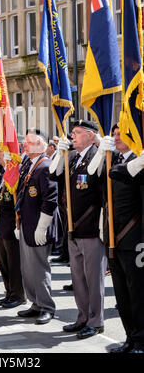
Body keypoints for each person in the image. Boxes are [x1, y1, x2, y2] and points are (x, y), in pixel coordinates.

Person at [89, 124, 144, 353]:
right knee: (121, 294)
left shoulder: (139, 164)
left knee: (138, 294)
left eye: (122, 133)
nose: (117, 137)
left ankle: (141, 341)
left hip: (136, 240)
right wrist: (101, 152)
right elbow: (91, 183)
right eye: (114, 134)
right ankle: (130, 338)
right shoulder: (113, 161)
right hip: (113, 239)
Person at [50, 119, 107, 339]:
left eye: (77, 132)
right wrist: (57, 155)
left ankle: (96, 321)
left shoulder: (99, 156)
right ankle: (83, 317)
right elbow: (53, 176)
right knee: (78, 278)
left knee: (93, 279)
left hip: (91, 227)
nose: (72, 136)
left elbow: (99, 183)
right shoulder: (72, 158)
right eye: (72, 132)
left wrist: (103, 151)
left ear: (91, 136)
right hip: (72, 228)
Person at [15, 132, 58, 325]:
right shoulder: (28, 164)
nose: (24, 145)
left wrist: (42, 227)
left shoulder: (46, 166)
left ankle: (47, 306)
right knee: (28, 267)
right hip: (27, 223)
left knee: (39, 268)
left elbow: (50, 199)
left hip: (39, 225)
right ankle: (35, 303)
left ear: (40, 144)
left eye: (28, 142)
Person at [0, 149, 26, 308]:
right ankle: (9, 291)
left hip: (11, 224)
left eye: (1, 154)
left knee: (13, 262)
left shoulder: (16, 172)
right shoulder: (1, 171)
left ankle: (18, 294)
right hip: (0, 223)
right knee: (3, 261)